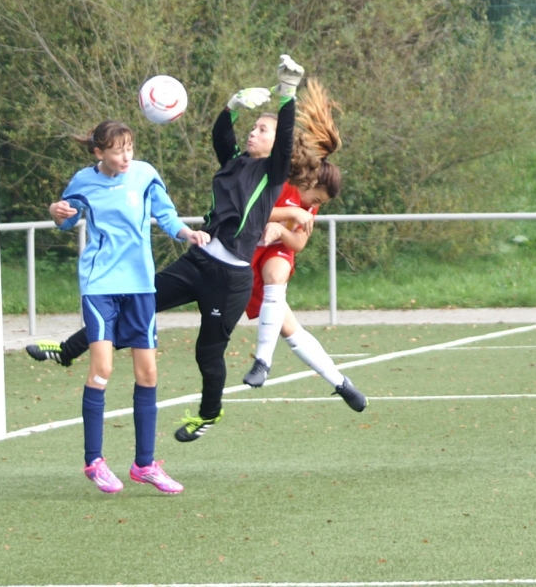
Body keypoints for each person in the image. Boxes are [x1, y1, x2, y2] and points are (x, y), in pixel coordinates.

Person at [28, 54, 308, 443]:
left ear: (276, 144)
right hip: (198, 261)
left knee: (207, 354)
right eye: (254, 126)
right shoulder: (235, 164)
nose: (253, 132)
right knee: (133, 307)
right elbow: (220, 138)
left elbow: (286, 136)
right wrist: (231, 106)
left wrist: (287, 95)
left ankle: (209, 413)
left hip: (229, 279)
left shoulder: (272, 174)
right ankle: (66, 350)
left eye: (261, 129)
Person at [51, 119, 209, 494]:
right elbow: (64, 218)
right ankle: (94, 461)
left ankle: (144, 465)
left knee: (148, 374)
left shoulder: (144, 175)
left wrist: (187, 232)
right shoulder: (84, 181)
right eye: (118, 150)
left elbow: (167, 216)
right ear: (99, 152)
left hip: (140, 285)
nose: (126, 156)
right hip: (100, 285)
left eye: (130, 149)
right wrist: (58, 215)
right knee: (102, 368)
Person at [241, 161, 367, 413]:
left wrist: (281, 229)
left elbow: (298, 242)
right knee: (288, 328)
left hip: (275, 251)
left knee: (277, 276)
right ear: (308, 183)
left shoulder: (310, 206)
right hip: (244, 255)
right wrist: (289, 214)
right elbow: (252, 211)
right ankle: (340, 382)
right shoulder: (282, 184)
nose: (313, 205)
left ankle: (262, 362)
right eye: (315, 197)